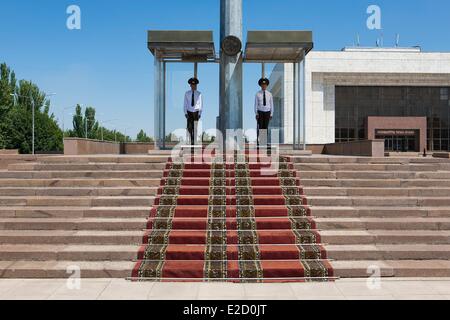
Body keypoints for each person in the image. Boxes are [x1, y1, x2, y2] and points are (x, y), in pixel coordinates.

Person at [254, 78, 273, 147]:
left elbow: (271, 104)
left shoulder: (269, 94)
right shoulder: (257, 94)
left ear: (267, 85)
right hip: (260, 112)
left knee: (266, 127)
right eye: (262, 85)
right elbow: (256, 104)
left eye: (265, 85)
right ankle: (260, 142)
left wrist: (271, 113)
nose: (264, 86)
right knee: (260, 127)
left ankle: (264, 142)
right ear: (260, 85)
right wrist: (256, 113)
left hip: (267, 112)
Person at [184, 78, 203, 146]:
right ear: (190, 85)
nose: (193, 86)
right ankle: (190, 140)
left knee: (195, 127)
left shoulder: (199, 93)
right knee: (189, 127)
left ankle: (194, 141)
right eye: (192, 84)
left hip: (196, 112)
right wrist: (185, 113)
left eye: (194, 85)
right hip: (189, 111)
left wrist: (200, 113)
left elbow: (201, 103)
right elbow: (185, 103)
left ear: (196, 85)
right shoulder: (187, 93)